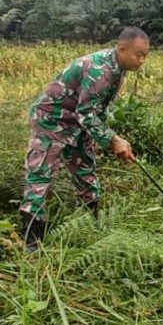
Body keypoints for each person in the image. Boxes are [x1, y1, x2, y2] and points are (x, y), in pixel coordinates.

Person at [19, 27, 148, 250]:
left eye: (145, 55)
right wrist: (114, 139)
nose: (142, 60)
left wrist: (105, 137)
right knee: (40, 177)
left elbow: (93, 111)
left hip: (77, 124)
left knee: (86, 171)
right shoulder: (100, 70)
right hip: (52, 121)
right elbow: (86, 114)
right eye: (139, 54)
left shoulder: (118, 67)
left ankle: (91, 227)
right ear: (122, 48)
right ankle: (31, 242)